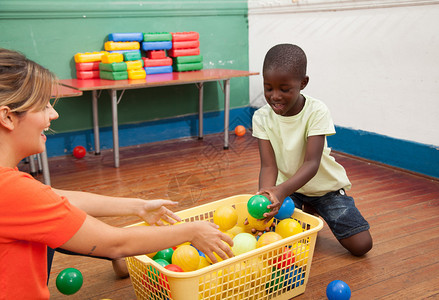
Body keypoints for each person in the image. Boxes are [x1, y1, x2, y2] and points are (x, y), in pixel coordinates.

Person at [0, 48, 234, 299]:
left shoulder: (11, 183)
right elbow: (115, 243)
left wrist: (138, 206)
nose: (54, 114)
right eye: (43, 106)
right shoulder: (12, 190)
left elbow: (53, 200)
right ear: (8, 117)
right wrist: (190, 231)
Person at [252, 43, 372, 256]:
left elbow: (312, 164)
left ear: (303, 83)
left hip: (324, 190)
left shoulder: (317, 111)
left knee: (361, 245)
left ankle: (317, 208)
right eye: (268, 87)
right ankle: (307, 210)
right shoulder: (261, 117)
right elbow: (268, 166)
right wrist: (266, 200)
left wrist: (280, 191)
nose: (275, 96)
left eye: (284, 89)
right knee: (272, 239)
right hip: (291, 191)